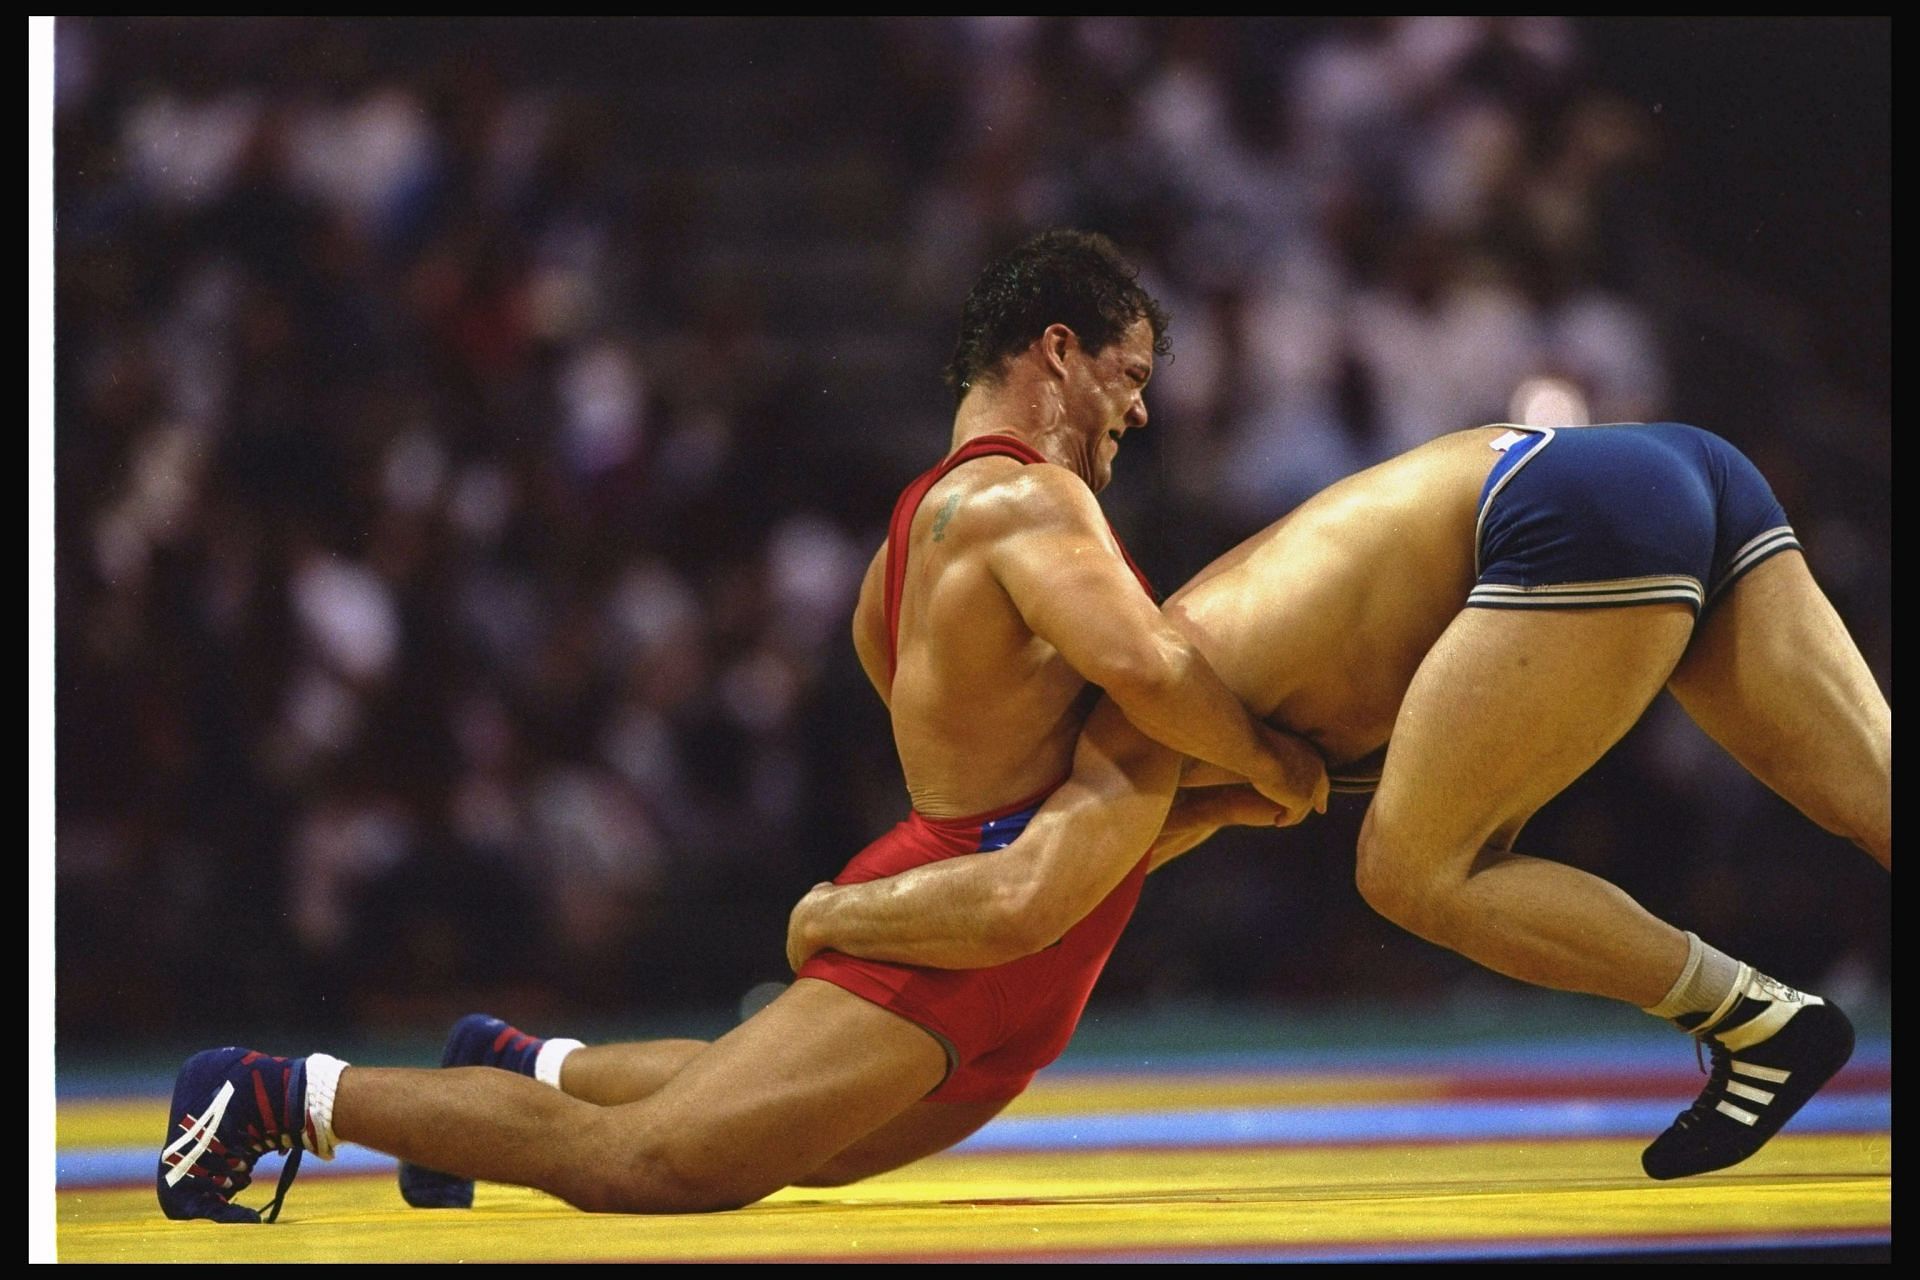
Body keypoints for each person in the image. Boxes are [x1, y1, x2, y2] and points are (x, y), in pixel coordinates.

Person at [154, 230, 1327, 1223]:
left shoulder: (906, 546)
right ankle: (268, 1090)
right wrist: (1271, 759)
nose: (1141, 404)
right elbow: (1150, 670)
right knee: (655, 1164)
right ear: (1057, 353)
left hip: (1017, 919)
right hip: (972, 921)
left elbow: (936, 699)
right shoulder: (1027, 495)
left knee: (782, 1138)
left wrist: (1199, 798)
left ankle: (517, 1066)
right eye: (1126, 372)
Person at [788, 421, 1890, 1181]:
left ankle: (1762, 1020)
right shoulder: (1157, 677)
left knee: (1413, 868)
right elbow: (1072, 886)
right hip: (1666, 464)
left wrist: (837, 913)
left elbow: (1027, 896)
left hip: (1562, 515)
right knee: (1875, 795)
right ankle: (1765, 1023)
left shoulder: (1129, 723)